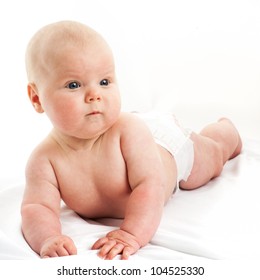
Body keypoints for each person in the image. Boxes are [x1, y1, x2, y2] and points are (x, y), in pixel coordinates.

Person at [21, 20, 242, 260]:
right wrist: (48, 237)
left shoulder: (128, 133)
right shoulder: (44, 160)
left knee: (212, 160)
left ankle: (225, 132)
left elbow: (151, 186)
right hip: (141, 134)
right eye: (74, 85)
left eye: (104, 82)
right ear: (37, 98)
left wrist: (132, 233)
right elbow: (37, 207)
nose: (95, 95)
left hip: (166, 146)